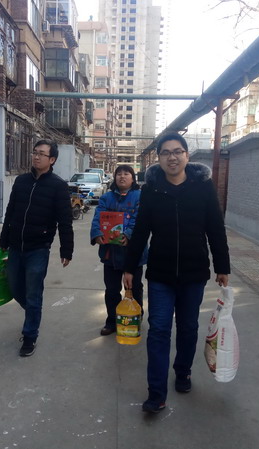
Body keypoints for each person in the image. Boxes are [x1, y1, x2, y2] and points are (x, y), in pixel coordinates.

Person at [123, 133, 230, 413]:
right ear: (159, 158)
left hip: (194, 273)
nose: (172, 157)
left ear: (186, 156)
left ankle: (183, 371)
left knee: (188, 327)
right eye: (166, 152)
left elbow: (215, 228)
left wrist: (222, 266)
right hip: (160, 273)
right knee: (159, 329)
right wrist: (130, 267)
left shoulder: (203, 187)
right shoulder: (151, 189)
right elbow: (141, 230)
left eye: (177, 151)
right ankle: (156, 393)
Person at [0, 139, 74, 357]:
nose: (36, 156)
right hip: (15, 246)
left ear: (52, 160)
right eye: (35, 152)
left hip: (38, 248)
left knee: (33, 293)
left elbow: (65, 221)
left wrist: (66, 250)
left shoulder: (58, 186)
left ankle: (30, 335)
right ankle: (33, 311)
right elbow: (11, 211)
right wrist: (4, 240)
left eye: (42, 154)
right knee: (15, 287)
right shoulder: (21, 181)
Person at [90, 165, 148, 336]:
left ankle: (136, 316)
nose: (122, 177)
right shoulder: (106, 197)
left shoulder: (140, 196)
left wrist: (128, 234)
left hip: (133, 253)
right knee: (112, 290)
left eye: (126, 174)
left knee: (134, 287)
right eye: (119, 174)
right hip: (111, 252)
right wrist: (97, 234)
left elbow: (140, 219)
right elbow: (97, 217)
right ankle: (112, 320)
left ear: (133, 178)